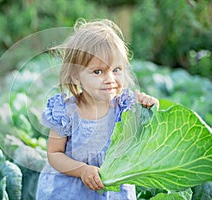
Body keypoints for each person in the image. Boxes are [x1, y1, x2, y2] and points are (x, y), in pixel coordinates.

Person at [36, 19, 159, 200]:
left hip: (114, 192)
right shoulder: (65, 111)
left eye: (116, 69)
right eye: (98, 72)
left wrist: (150, 104)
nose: (109, 79)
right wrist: (82, 170)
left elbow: (148, 131)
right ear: (76, 76)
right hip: (69, 191)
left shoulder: (125, 107)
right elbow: (54, 154)